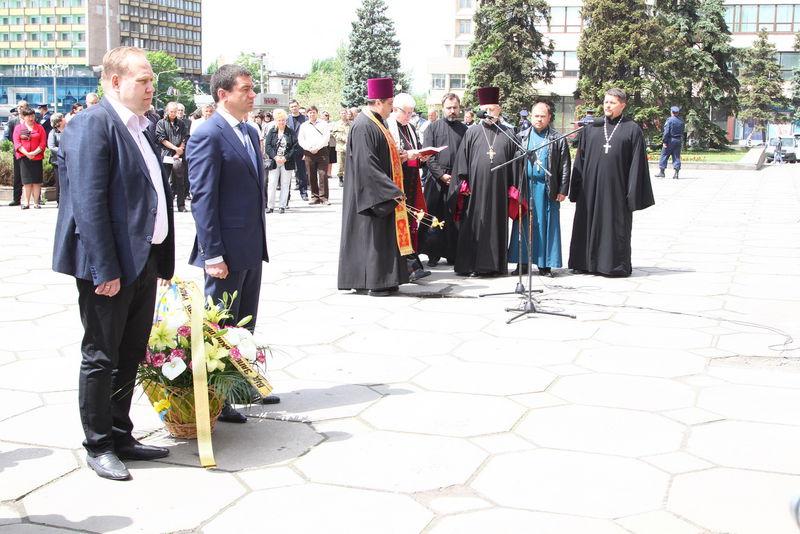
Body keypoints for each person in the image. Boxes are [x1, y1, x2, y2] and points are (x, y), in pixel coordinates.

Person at [52, 46, 176, 481]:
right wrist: (105, 270)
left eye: (151, 81)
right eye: (143, 80)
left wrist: (162, 259)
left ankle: (122, 433)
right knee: (102, 355)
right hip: (109, 268)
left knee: (130, 353)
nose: (150, 88)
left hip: (142, 262)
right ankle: (99, 443)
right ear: (115, 81)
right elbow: (88, 204)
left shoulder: (142, 127)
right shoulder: (92, 125)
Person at [187, 64, 277, 422]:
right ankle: (217, 398)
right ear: (223, 94)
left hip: (251, 246)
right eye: (245, 89)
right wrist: (212, 253)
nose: (253, 94)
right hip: (224, 251)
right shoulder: (208, 134)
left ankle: (242, 383)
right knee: (221, 327)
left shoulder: (248, 130)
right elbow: (203, 198)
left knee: (244, 324)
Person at [568, 87, 655, 277]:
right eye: (606, 101)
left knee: (612, 227)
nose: (607, 105)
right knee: (587, 222)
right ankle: (584, 263)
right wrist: (575, 189)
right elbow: (580, 161)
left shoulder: (632, 129)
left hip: (616, 190)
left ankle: (612, 265)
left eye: (612, 102)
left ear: (622, 105)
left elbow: (637, 165)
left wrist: (632, 195)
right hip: (589, 189)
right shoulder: (593, 127)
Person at [338, 77, 410, 297]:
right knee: (371, 238)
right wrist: (391, 190)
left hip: (380, 191)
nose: (391, 109)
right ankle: (373, 282)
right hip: (370, 195)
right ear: (378, 102)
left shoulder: (377, 122)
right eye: (389, 104)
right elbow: (366, 165)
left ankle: (384, 279)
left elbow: (380, 156)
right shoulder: (363, 125)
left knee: (380, 238)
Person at [447, 87, 518, 277]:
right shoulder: (472, 132)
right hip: (475, 192)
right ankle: (472, 266)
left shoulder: (509, 134)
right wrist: (463, 185)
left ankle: (495, 266)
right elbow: (462, 162)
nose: (489, 113)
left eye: (493, 109)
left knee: (496, 226)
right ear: (480, 109)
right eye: (485, 109)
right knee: (474, 226)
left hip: (499, 192)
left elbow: (515, 166)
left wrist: (513, 188)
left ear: (499, 109)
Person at [509, 100, 570, 277]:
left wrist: (563, 189)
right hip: (526, 188)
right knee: (524, 225)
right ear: (531, 115)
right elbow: (514, 164)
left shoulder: (557, 138)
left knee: (546, 225)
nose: (539, 119)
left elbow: (565, 165)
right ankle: (523, 263)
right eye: (536, 116)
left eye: (543, 116)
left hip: (547, 188)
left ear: (549, 117)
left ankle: (545, 265)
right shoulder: (521, 137)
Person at [418, 92, 468, 267]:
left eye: (455, 108)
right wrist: (441, 174)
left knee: (454, 217)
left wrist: (457, 176)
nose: (452, 111)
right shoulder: (432, 128)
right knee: (433, 216)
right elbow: (427, 155)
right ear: (442, 108)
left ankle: (452, 253)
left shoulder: (465, 130)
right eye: (449, 108)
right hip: (436, 180)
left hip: (456, 180)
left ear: (459, 108)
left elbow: (466, 156)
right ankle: (433, 254)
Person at [387, 92, 432, 281]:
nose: (409, 117)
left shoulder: (411, 128)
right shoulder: (388, 127)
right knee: (400, 225)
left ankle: (413, 265)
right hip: (397, 184)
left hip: (412, 183)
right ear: (395, 109)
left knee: (411, 223)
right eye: (406, 113)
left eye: (412, 113)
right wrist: (404, 156)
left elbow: (415, 149)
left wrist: (423, 157)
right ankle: (409, 267)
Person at [155, 101, 189, 212]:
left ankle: (181, 205)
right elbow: (161, 139)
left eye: (175, 111)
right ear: (167, 111)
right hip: (166, 155)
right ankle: (165, 204)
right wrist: (175, 148)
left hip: (179, 156)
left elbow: (184, 137)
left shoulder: (182, 124)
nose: (174, 114)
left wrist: (179, 151)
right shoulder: (161, 123)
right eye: (171, 111)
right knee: (165, 181)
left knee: (180, 181)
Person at [264, 108, 297, 213]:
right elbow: (267, 146)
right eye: (279, 120)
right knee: (272, 184)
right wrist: (275, 157)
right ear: (276, 121)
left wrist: (286, 157)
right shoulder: (272, 131)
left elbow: (294, 147)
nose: (281, 122)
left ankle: (282, 206)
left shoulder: (290, 132)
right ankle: (270, 206)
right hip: (274, 161)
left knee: (285, 184)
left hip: (287, 162)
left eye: (283, 120)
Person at [13, 108, 47, 210]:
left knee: (36, 181)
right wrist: (27, 153)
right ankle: (26, 202)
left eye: (32, 116)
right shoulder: (19, 128)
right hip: (24, 158)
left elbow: (42, 142)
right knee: (26, 181)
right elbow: (17, 142)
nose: (31, 118)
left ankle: (36, 202)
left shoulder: (39, 128)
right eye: (29, 116)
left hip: (36, 157)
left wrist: (34, 152)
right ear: (24, 117)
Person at [297, 105, 331, 205]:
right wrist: (309, 148)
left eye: (314, 112)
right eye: (310, 112)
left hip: (322, 151)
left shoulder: (324, 124)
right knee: (311, 175)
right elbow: (301, 139)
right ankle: (314, 196)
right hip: (309, 152)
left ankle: (324, 197)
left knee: (323, 174)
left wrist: (318, 147)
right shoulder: (304, 125)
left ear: (317, 113)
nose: (312, 114)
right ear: (307, 114)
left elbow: (326, 137)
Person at [5, 101, 27, 206]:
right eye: (18, 106)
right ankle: (16, 199)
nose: (19, 108)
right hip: (18, 152)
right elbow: (9, 136)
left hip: (31, 152)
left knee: (32, 176)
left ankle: (37, 198)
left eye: (22, 106)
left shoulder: (32, 120)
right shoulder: (13, 121)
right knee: (18, 176)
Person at [287, 99, 308, 201]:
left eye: (295, 106)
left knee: (301, 172)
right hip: (288, 150)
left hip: (301, 149)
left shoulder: (305, 119)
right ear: (289, 108)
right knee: (287, 174)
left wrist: (306, 151)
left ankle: (304, 193)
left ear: (299, 106)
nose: (294, 108)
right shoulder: (286, 119)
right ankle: (287, 195)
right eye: (292, 107)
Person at [655, 105, 684, 179]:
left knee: (664, 155)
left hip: (670, 140)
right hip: (678, 140)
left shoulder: (669, 120)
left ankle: (662, 172)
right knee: (676, 156)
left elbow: (666, 132)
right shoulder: (681, 120)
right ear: (677, 113)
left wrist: (665, 141)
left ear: (671, 112)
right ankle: (676, 173)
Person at [47, 113, 65, 206]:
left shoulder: (68, 130)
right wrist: (63, 151)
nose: (65, 119)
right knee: (59, 182)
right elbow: (51, 146)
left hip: (68, 160)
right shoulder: (53, 132)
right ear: (59, 121)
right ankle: (59, 200)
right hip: (57, 161)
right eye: (63, 118)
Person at [330, 107, 350, 187]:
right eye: (342, 113)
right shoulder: (337, 124)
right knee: (340, 163)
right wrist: (343, 138)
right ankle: (340, 178)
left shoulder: (351, 123)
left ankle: (348, 178)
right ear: (339, 115)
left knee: (349, 163)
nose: (343, 115)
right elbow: (334, 134)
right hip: (340, 146)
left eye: (345, 113)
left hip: (349, 146)